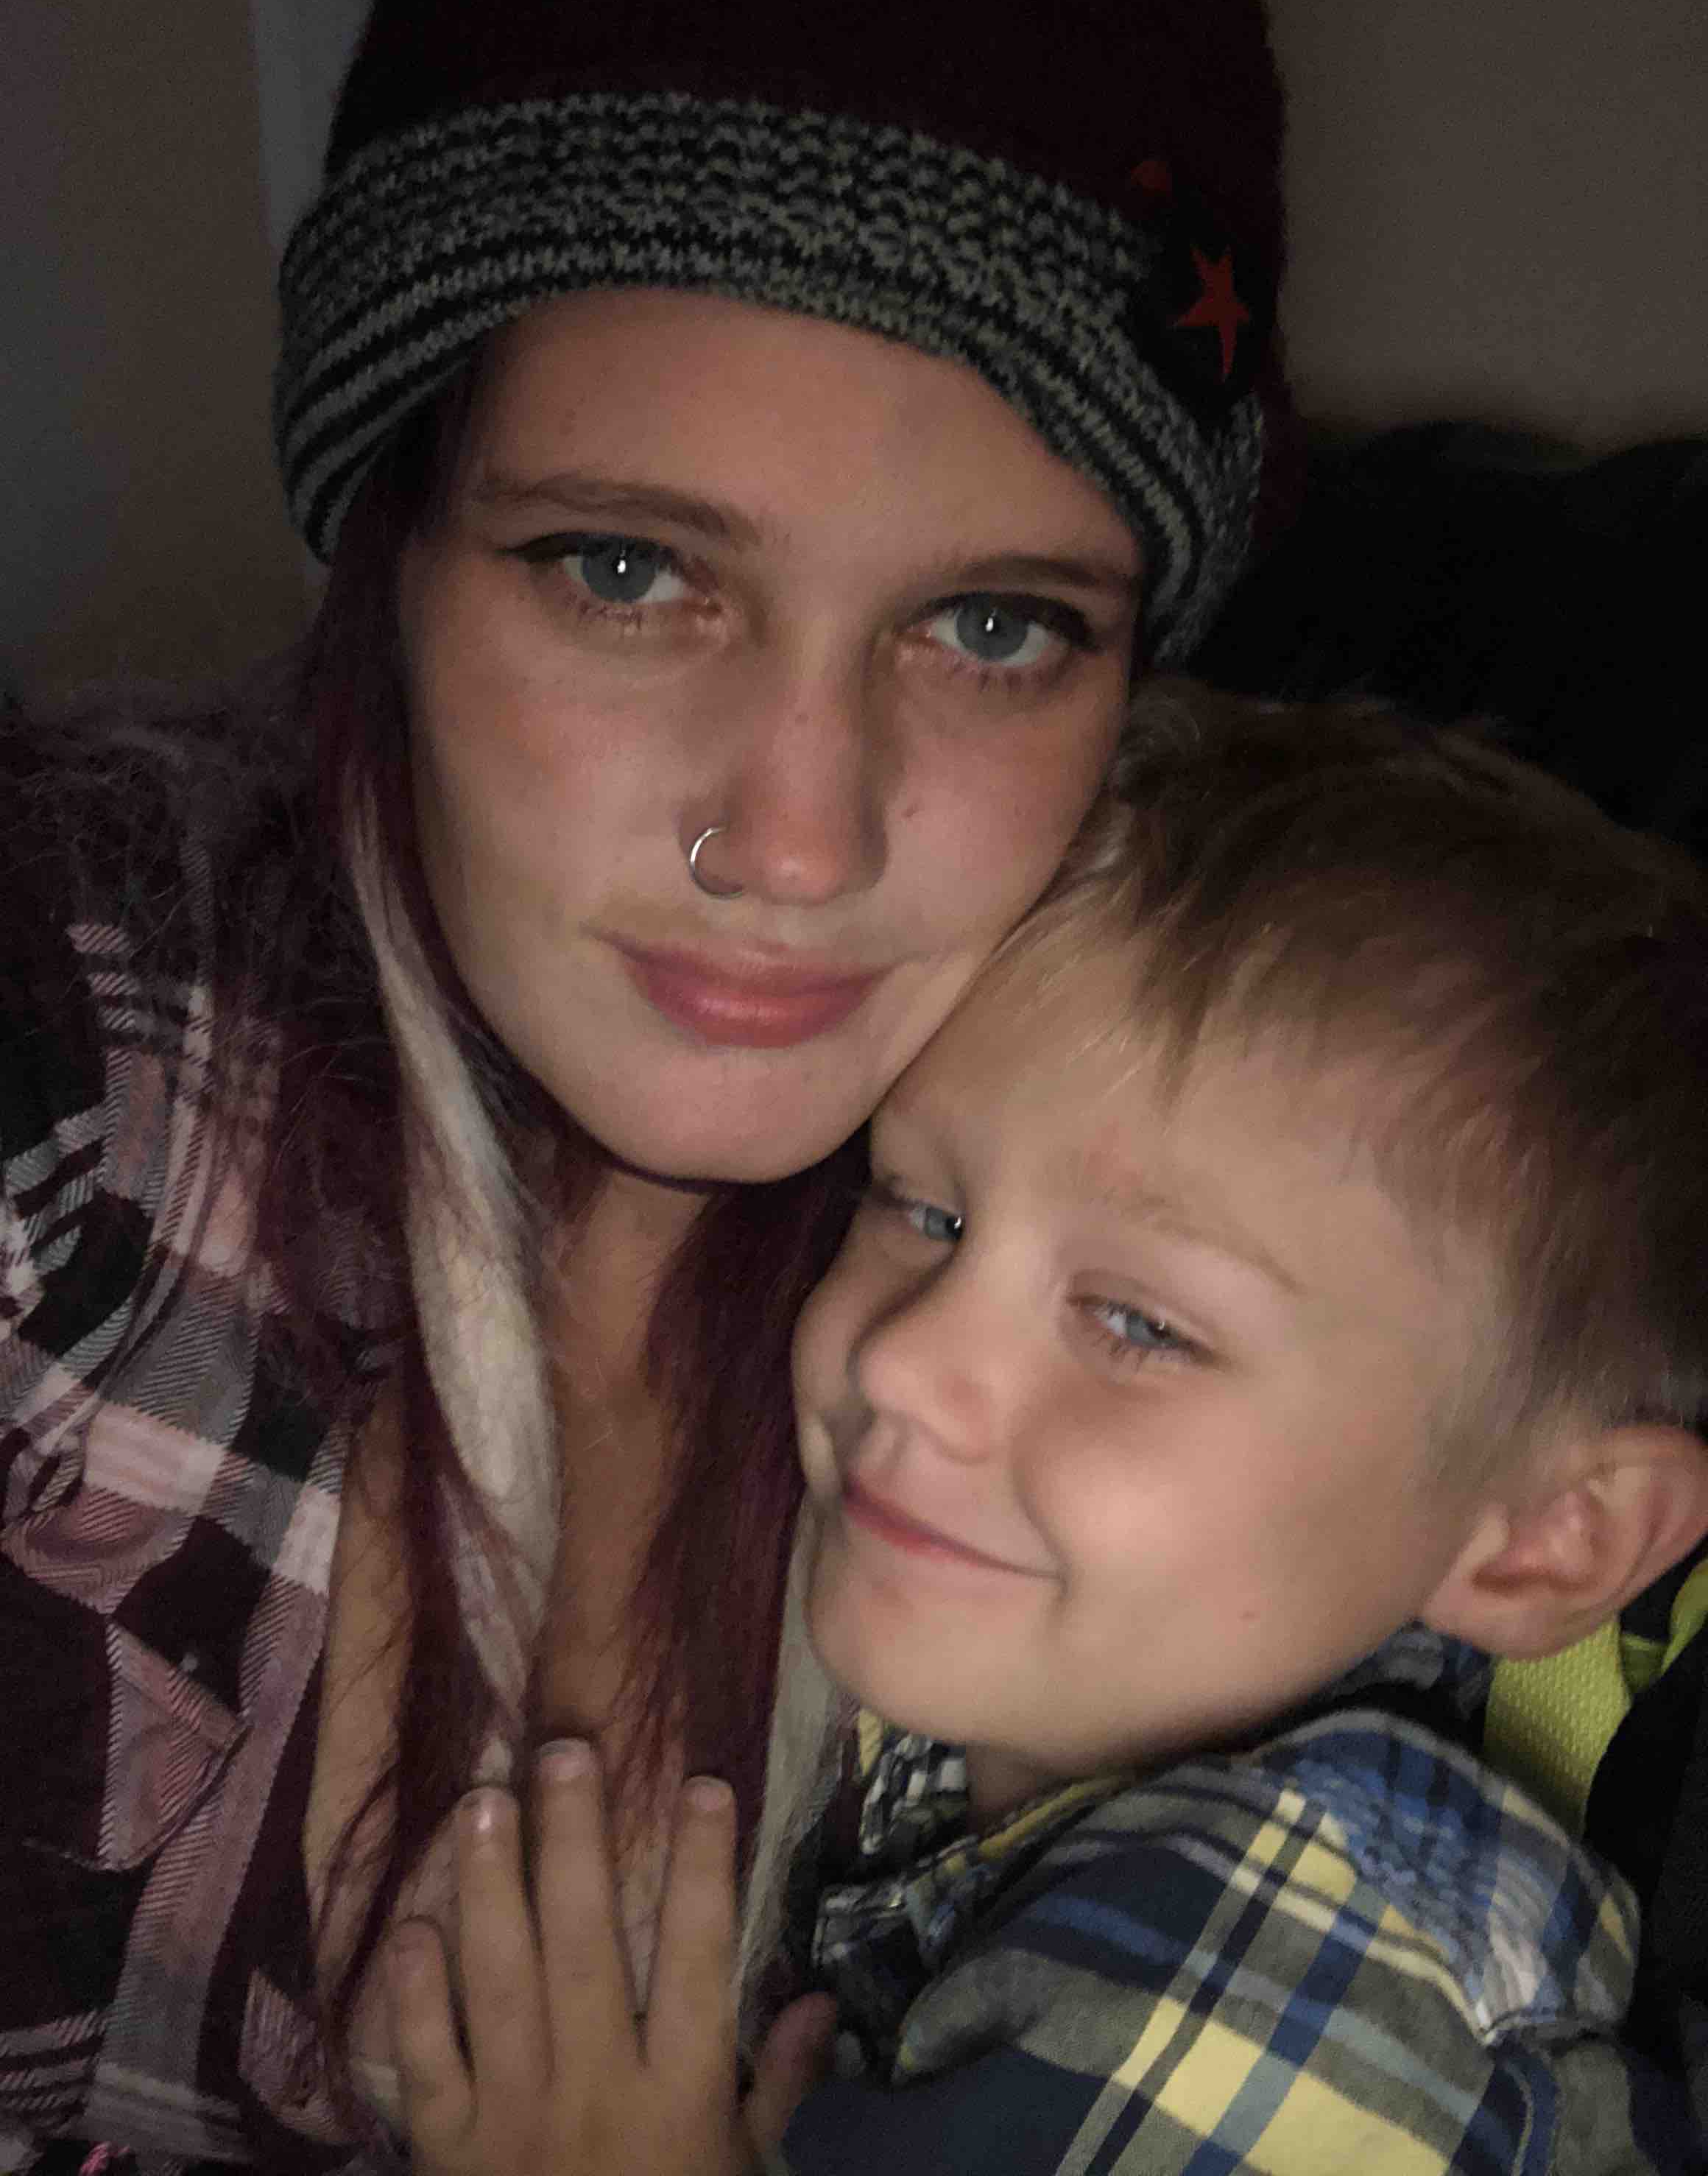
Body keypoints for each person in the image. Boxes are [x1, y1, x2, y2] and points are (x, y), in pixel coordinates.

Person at [0, 0, 1294, 2169]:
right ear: (396, 550)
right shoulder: (73, 1086)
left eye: (997, 627)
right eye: (625, 570)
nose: (798, 842)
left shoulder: (1157, 1368)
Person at [384, 685, 1708, 2175]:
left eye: (1138, 1323)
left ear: (1547, 1539)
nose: (904, 1359)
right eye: (923, 1209)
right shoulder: (1032, 1690)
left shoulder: (1300, 1974)